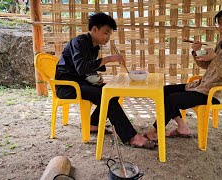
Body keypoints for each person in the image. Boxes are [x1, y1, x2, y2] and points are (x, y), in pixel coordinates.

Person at [144, 4, 222, 141]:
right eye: (218, 24)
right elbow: (206, 64)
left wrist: (215, 57)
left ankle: (155, 131)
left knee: (172, 100)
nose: (219, 28)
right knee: (164, 91)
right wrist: (197, 51)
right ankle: (183, 128)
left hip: (215, 92)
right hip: (202, 86)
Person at [55, 12, 156, 149]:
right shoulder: (78, 42)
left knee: (113, 92)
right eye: (106, 33)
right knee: (105, 96)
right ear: (94, 29)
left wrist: (96, 77)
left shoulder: (94, 46)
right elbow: (81, 68)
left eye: (109, 34)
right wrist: (109, 59)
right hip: (67, 87)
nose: (108, 37)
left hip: (81, 83)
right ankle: (132, 137)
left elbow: (88, 68)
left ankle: (93, 124)